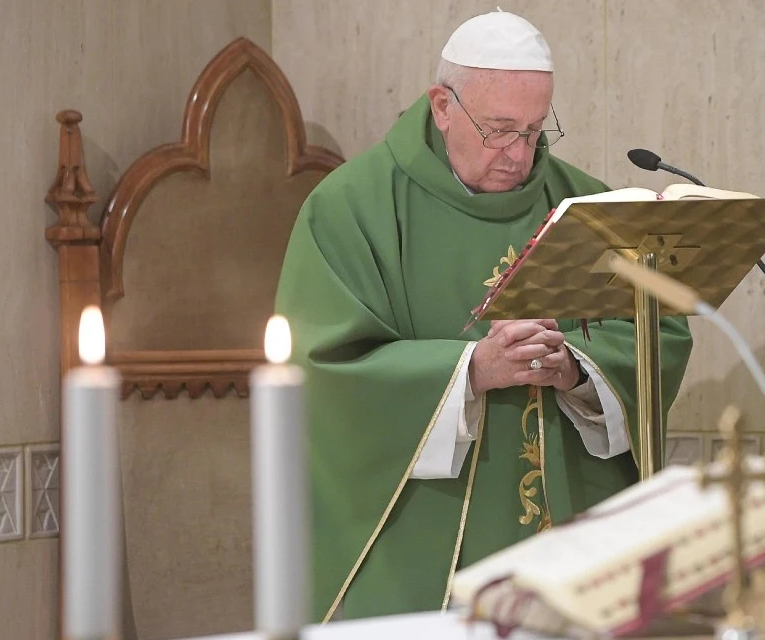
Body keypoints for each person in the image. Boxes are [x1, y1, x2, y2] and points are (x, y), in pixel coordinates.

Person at [274, 9, 693, 623]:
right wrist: (471, 369)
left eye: (533, 131)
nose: (519, 155)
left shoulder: (588, 205)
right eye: (498, 130)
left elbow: (657, 332)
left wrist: (575, 369)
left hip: (569, 548)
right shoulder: (350, 208)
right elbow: (320, 370)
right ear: (442, 106)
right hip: (416, 557)